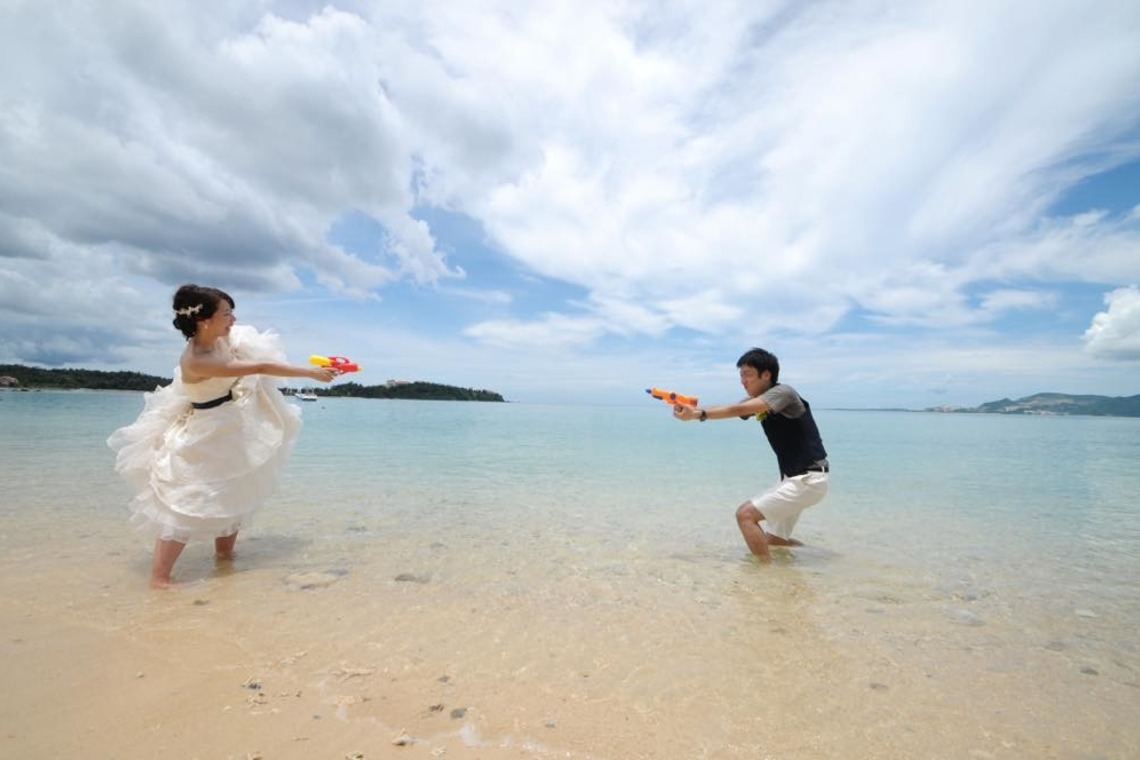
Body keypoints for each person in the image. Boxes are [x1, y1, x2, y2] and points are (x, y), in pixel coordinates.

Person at [108, 284, 339, 588]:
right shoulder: (198, 358)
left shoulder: (220, 337)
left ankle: (225, 558)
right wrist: (310, 374)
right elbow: (261, 365)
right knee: (188, 501)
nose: (233, 319)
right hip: (205, 429)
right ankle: (160, 579)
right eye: (227, 313)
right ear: (204, 320)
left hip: (228, 422)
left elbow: (250, 351)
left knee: (235, 489)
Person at [672, 348, 829, 560]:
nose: (743, 381)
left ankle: (764, 577)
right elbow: (733, 407)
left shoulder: (784, 393)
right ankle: (821, 556)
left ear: (766, 375)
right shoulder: (758, 399)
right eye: (740, 376)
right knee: (776, 541)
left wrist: (699, 415)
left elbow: (737, 411)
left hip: (808, 479)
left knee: (745, 516)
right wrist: (692, 409)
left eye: (747, 374)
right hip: (795, 478)